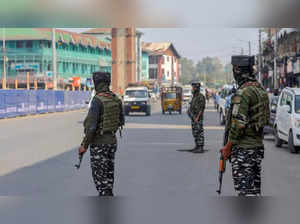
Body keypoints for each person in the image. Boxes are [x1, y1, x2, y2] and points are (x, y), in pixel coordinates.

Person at [221, 55, 270, 196]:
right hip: (256, 148)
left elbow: (238, 125)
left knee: (245, 192)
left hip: (243, 150)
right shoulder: (259, 89)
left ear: (237, 70)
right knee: (254, 190)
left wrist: (227, 147)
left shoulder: (243, 93)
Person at [78, 71, 125, 196]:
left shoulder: (97, 101)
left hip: (99, 144)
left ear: (96, 83)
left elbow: (91, 127)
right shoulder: (116, 99)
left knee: (100, 178)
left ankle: (104, 203)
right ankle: (108, 197)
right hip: (112, 143)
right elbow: (121, 121)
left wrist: (84, 146)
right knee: (109, 175)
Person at [187, 81, 206, 153]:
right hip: (193, 117)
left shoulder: (201, 97)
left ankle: (200, 147)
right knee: (195, 132)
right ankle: (197, 146)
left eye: (193, 87)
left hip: (198, 118)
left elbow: (201, 108)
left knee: (199, 132)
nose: (192, 89)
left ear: (196, 88)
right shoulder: (194, 96)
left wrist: (197, 118)